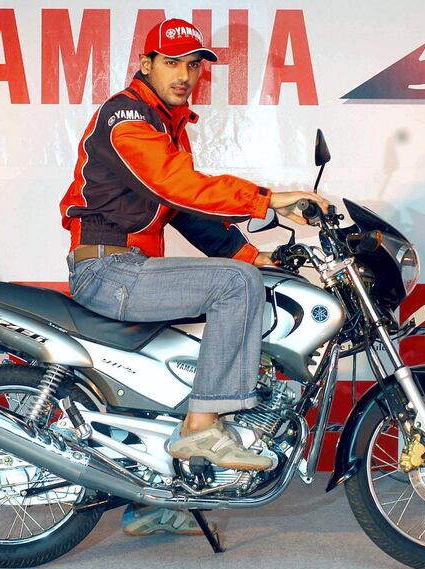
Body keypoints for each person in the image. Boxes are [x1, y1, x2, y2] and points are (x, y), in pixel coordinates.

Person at [59, 18, 327, 535]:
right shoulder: (128, 117)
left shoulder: (167, 126)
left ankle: (151, 496)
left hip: (132, 269)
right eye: (173, 62)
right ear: (146, 64)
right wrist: (268, 200)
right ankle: (204, 429)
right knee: (234, 286)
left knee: (194, 340)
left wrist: (255, 255)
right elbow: (177, 185)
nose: (185, 75)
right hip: (108, 268)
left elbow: (186, 214)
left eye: (192, 65)